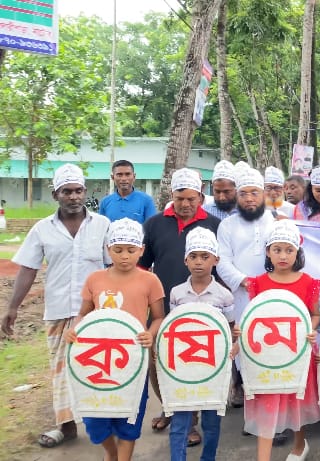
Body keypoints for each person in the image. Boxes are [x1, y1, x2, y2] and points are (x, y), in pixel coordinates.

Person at [2, 164, 110, 449]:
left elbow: (113, 267)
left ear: (85, 192)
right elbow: (28, 269)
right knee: (61, 369)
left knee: (97, 366)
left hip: (96, 312)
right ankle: (67, 425)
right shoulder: (42, 229)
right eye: (67, 191)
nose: (73, 196)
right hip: (59, 309)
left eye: (78, 191)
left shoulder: (102, 225)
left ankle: (104, 423)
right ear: (55, 194)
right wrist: (13, 308)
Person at [65, 218, 165, 461]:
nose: (124, 256)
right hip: (97, 360)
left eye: (131, 251)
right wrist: (75, 328)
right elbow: (83, 313)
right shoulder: (95, 279)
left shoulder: (150, 280)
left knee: (129, 417)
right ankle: (110, 451)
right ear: (108, 249)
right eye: (118, 250)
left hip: (133, 360)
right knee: (95, 420)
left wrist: (149, 334)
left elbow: (159, 317)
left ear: (141, 250)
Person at [138, 168, 221, 437]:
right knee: (157, 362)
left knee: (194, 363)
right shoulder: (154, 224)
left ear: (201, 195)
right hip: (162, 307)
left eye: (191, 198)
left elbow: (221, 269)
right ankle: (169, 408)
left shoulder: (213, 225)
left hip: (203, 307)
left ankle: (191, 422)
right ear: (171, 195)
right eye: (179, 198)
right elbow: (141, 266)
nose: (185, 204)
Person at [242, 221, 320, 461]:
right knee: (267, 398)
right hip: (266, 354)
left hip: (297, 352)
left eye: (289, 250)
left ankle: (299, 445)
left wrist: (311, 329)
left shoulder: (308, 282)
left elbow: (315, 314)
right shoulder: (257, 283)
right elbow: (252, 317)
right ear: (268, 251)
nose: (283, 255)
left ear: (297, 252)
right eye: (277, 250)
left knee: (294, 400)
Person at [168, 227, 235, 461]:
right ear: (185, 260)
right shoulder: (176, 293)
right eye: (194, 256)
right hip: (183, 370)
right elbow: (173, 332)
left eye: (205, 257)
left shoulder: (224, 295)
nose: (199, 262)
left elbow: (229, 330)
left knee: (211, 422)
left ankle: (208, 458)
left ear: (215, 260)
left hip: (213, 369)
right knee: (180, 421)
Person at [216, 167, 276, 408]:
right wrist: (244, 281)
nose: (249, 198)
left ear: (263, 194)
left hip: (272, 296)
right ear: (237, 197)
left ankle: (273, 411)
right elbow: (222, 260)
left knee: (272, 347)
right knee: (246, 349)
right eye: (243, 194)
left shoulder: (276, 221)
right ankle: (253, 412)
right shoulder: (227, 226)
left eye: (254, 193)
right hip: (242, 296)